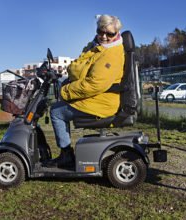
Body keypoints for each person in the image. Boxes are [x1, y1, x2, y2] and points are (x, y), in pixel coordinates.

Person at [46, 14, 125, 167]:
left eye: (109, 34)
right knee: (59, 106)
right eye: (101, 31)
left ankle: (66, 155)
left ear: (117, 33)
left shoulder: (112, 53)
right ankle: (66, 152)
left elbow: (95, 84)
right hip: (97, 98)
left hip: (101, 102)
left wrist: (65, 91)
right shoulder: (98, 47)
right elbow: (79, 67)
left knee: (56, 112)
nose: (104, 36)